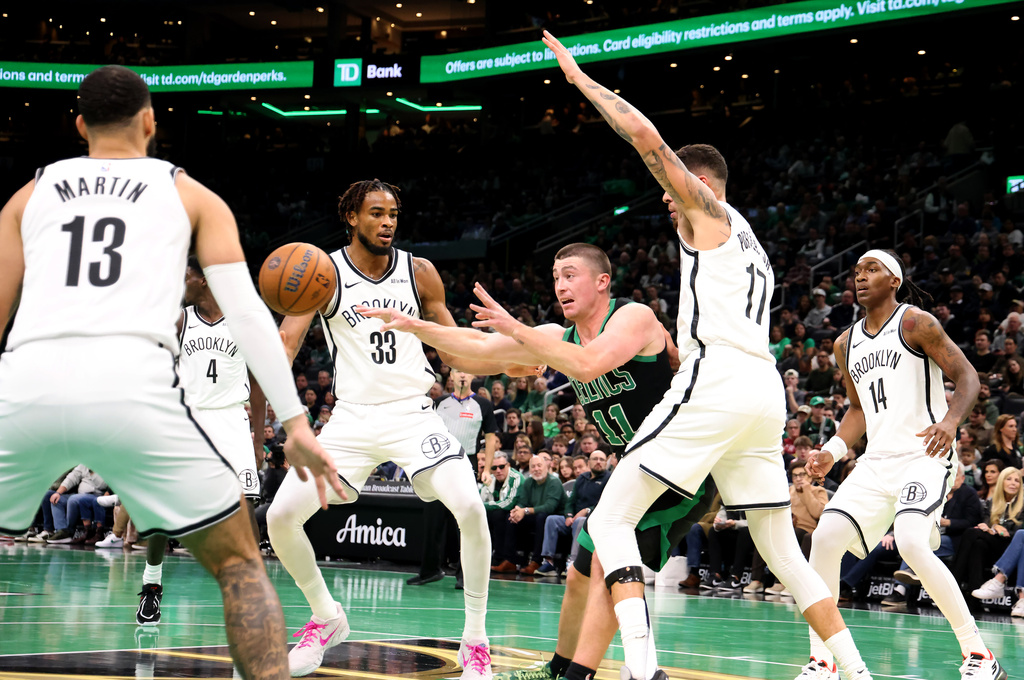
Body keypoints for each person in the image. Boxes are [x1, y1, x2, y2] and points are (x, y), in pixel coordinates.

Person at [538, 30, 875, 680]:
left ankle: (643, 671)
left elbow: (644, 138)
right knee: (783, 551)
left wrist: (579, 80)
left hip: (716, 381)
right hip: (762, 394)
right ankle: (856, 671)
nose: (665, 199)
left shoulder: (708, 212)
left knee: (609, 520)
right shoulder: (753, 243)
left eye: (674, 189)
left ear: (698, 184)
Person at [0, 65, 342, 680]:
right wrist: (296, 422)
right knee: (241, 564)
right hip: (134, 384)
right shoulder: (193, 196)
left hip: (27, 379)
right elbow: (250, 317)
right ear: (151, 123)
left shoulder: (27, 197)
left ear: (79, 126)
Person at [358, 241, 709, 680]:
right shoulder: (559, 338)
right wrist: (416, 326)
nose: (560, 284)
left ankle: (586, 674)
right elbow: (475, 351)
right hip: (637, 469)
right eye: (556, 276)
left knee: (604, 557)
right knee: (580, 570)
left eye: (570, 275)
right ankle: (558, 666)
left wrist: (519, 330)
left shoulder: (632, 316)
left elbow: (587, 365)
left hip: (679, 464)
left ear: (602, 282)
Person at [266, 179, 532, 679]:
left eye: (393, 213)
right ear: (351, 216)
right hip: (350, 419)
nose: (387, 222)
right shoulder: (320, 274)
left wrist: (511, 364)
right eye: (375, 213)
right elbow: (286, 343)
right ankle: (326, 619)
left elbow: (453, 350)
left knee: (471, 507)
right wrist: (287, 413)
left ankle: (475, 640)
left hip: (413, 413)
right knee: (279, 518)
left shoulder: (420, 272)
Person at [804, 249, 1006, 680]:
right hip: (876, 461)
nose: (860, 277)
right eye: (856, 271)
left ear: (894, 280)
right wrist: (832, 452)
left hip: (924, 455)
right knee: (824, 539)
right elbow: (857, 411)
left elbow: (968, 376)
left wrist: (950, 422)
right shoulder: (845, 343)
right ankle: (823, 660)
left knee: (913, 542)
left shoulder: (915, 322)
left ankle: (979, 655)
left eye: (871, 270)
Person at [138, 256, 268, 625]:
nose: (181, 284)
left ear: (204, 281)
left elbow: (257, 386)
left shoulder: (244, 322)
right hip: (189, 418)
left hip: (230, 417)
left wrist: (257, 440)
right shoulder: (181, 319)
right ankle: (151, 585)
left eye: (186, 277)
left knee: (244, 508)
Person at [409, 369, 500, 587]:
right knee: (433, 519)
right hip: (435, 462)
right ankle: (429, 570)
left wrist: (486, 468)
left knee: (465, 521)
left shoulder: (483, 405)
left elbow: (490, 438)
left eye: (467, 373)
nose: (462, 376)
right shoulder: (438, 402)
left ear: (473, 377)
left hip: (466, 463)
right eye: (458, 371)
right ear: (451, 375)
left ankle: (465, 575)